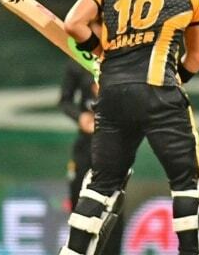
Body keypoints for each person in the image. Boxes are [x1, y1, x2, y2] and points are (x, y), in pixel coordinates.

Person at [58, 0, 199, 255]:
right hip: (160, 90)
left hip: (112, 94)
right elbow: (197, 58)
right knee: (190, 183)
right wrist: (177, 81)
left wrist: (102, 51)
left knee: (100, 185)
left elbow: (73, 24)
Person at [58, 61, 123, 254]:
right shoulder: (78, 62)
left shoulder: (124, 56)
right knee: (80, 202)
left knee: (112, 207)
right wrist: (81, 117)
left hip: (115, 146)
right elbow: (65, 100)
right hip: (86, 146)